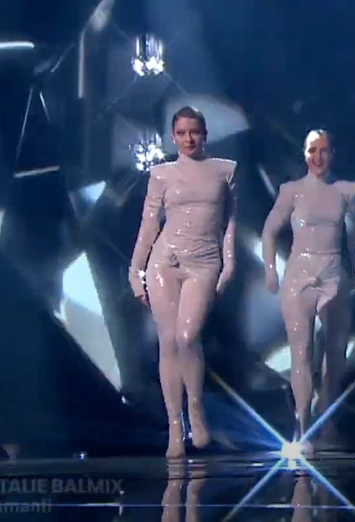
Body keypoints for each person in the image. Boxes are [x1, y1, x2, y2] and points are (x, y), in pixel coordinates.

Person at [129, 106, 237, 458]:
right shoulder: (161, 174)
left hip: (204, 262)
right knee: (168, 341)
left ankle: (196, 409)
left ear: (205, 134)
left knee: (187, 337)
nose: (188, 139)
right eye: (181, 133)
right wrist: (135, 271)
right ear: (173, 136)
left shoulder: (225, 170)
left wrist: (230, 264)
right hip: (165, 262)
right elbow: (149, 225)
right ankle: (175, 427)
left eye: (194, 131)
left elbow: (230, 223)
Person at [261, 129, 355, 455]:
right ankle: (303, 426)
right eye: (312, 150)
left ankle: (327, 418)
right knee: (301, 351)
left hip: (333, 272)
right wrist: (270, 270)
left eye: (324, 150)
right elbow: (269, 232)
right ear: (304, 154)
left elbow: (354, 237)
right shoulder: (291, 191)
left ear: (332, 153)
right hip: (299, 273)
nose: (318, 157)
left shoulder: (346, 191)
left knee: (335, 353)